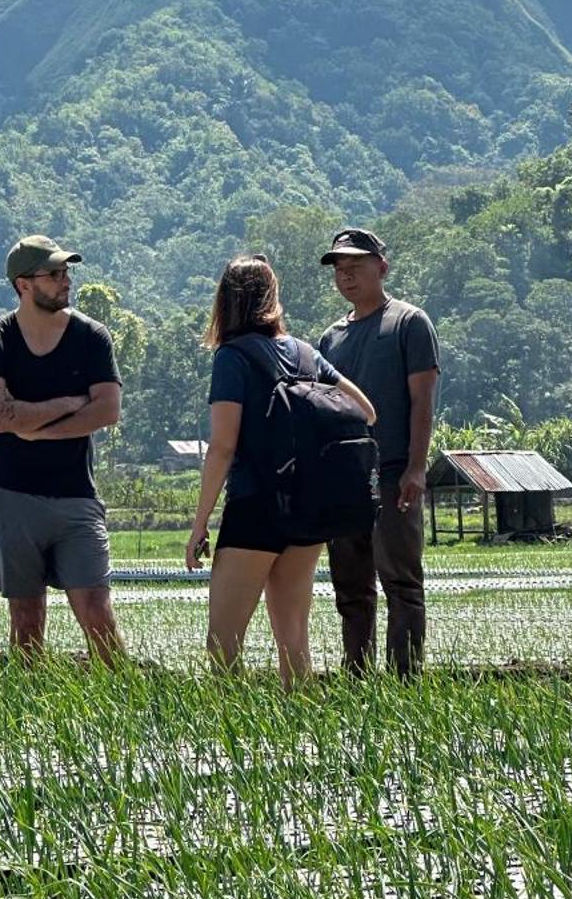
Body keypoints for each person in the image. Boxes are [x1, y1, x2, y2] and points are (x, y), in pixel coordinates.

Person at [185, 254, 375, 688]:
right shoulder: (306, 354)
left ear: (225, 301)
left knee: (223, 643)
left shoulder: (232, 358)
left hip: (254, 508)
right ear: (272, 297)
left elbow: (222, 447)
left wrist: (199, 525)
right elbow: (366, 411)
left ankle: (232, 733)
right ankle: (300, 731)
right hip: (306, 513)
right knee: (294, 643)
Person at [0, 234, 124, 659]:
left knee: (97, 611)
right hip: (11, 497)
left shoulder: (92, 337)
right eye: (54, 273)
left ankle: (125, 705)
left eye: (66, 272)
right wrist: (71, 403)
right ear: (23, 284)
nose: (65, 280)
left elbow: (107, 410)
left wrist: (39, 428)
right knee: (26, 618)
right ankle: (26, 712)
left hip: (77, 497)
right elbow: (2, 418)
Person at [318, 228, 440, 677]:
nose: (346, 276)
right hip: (345, 479)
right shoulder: (330, 339)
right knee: (350, 586)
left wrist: (416, 467)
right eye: (340, 269)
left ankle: (405, 679)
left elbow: (422, 399)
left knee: (401, 581)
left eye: (356, 266)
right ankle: (357, 677)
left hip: (392, 472)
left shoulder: (408, 323)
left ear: (382, 268)